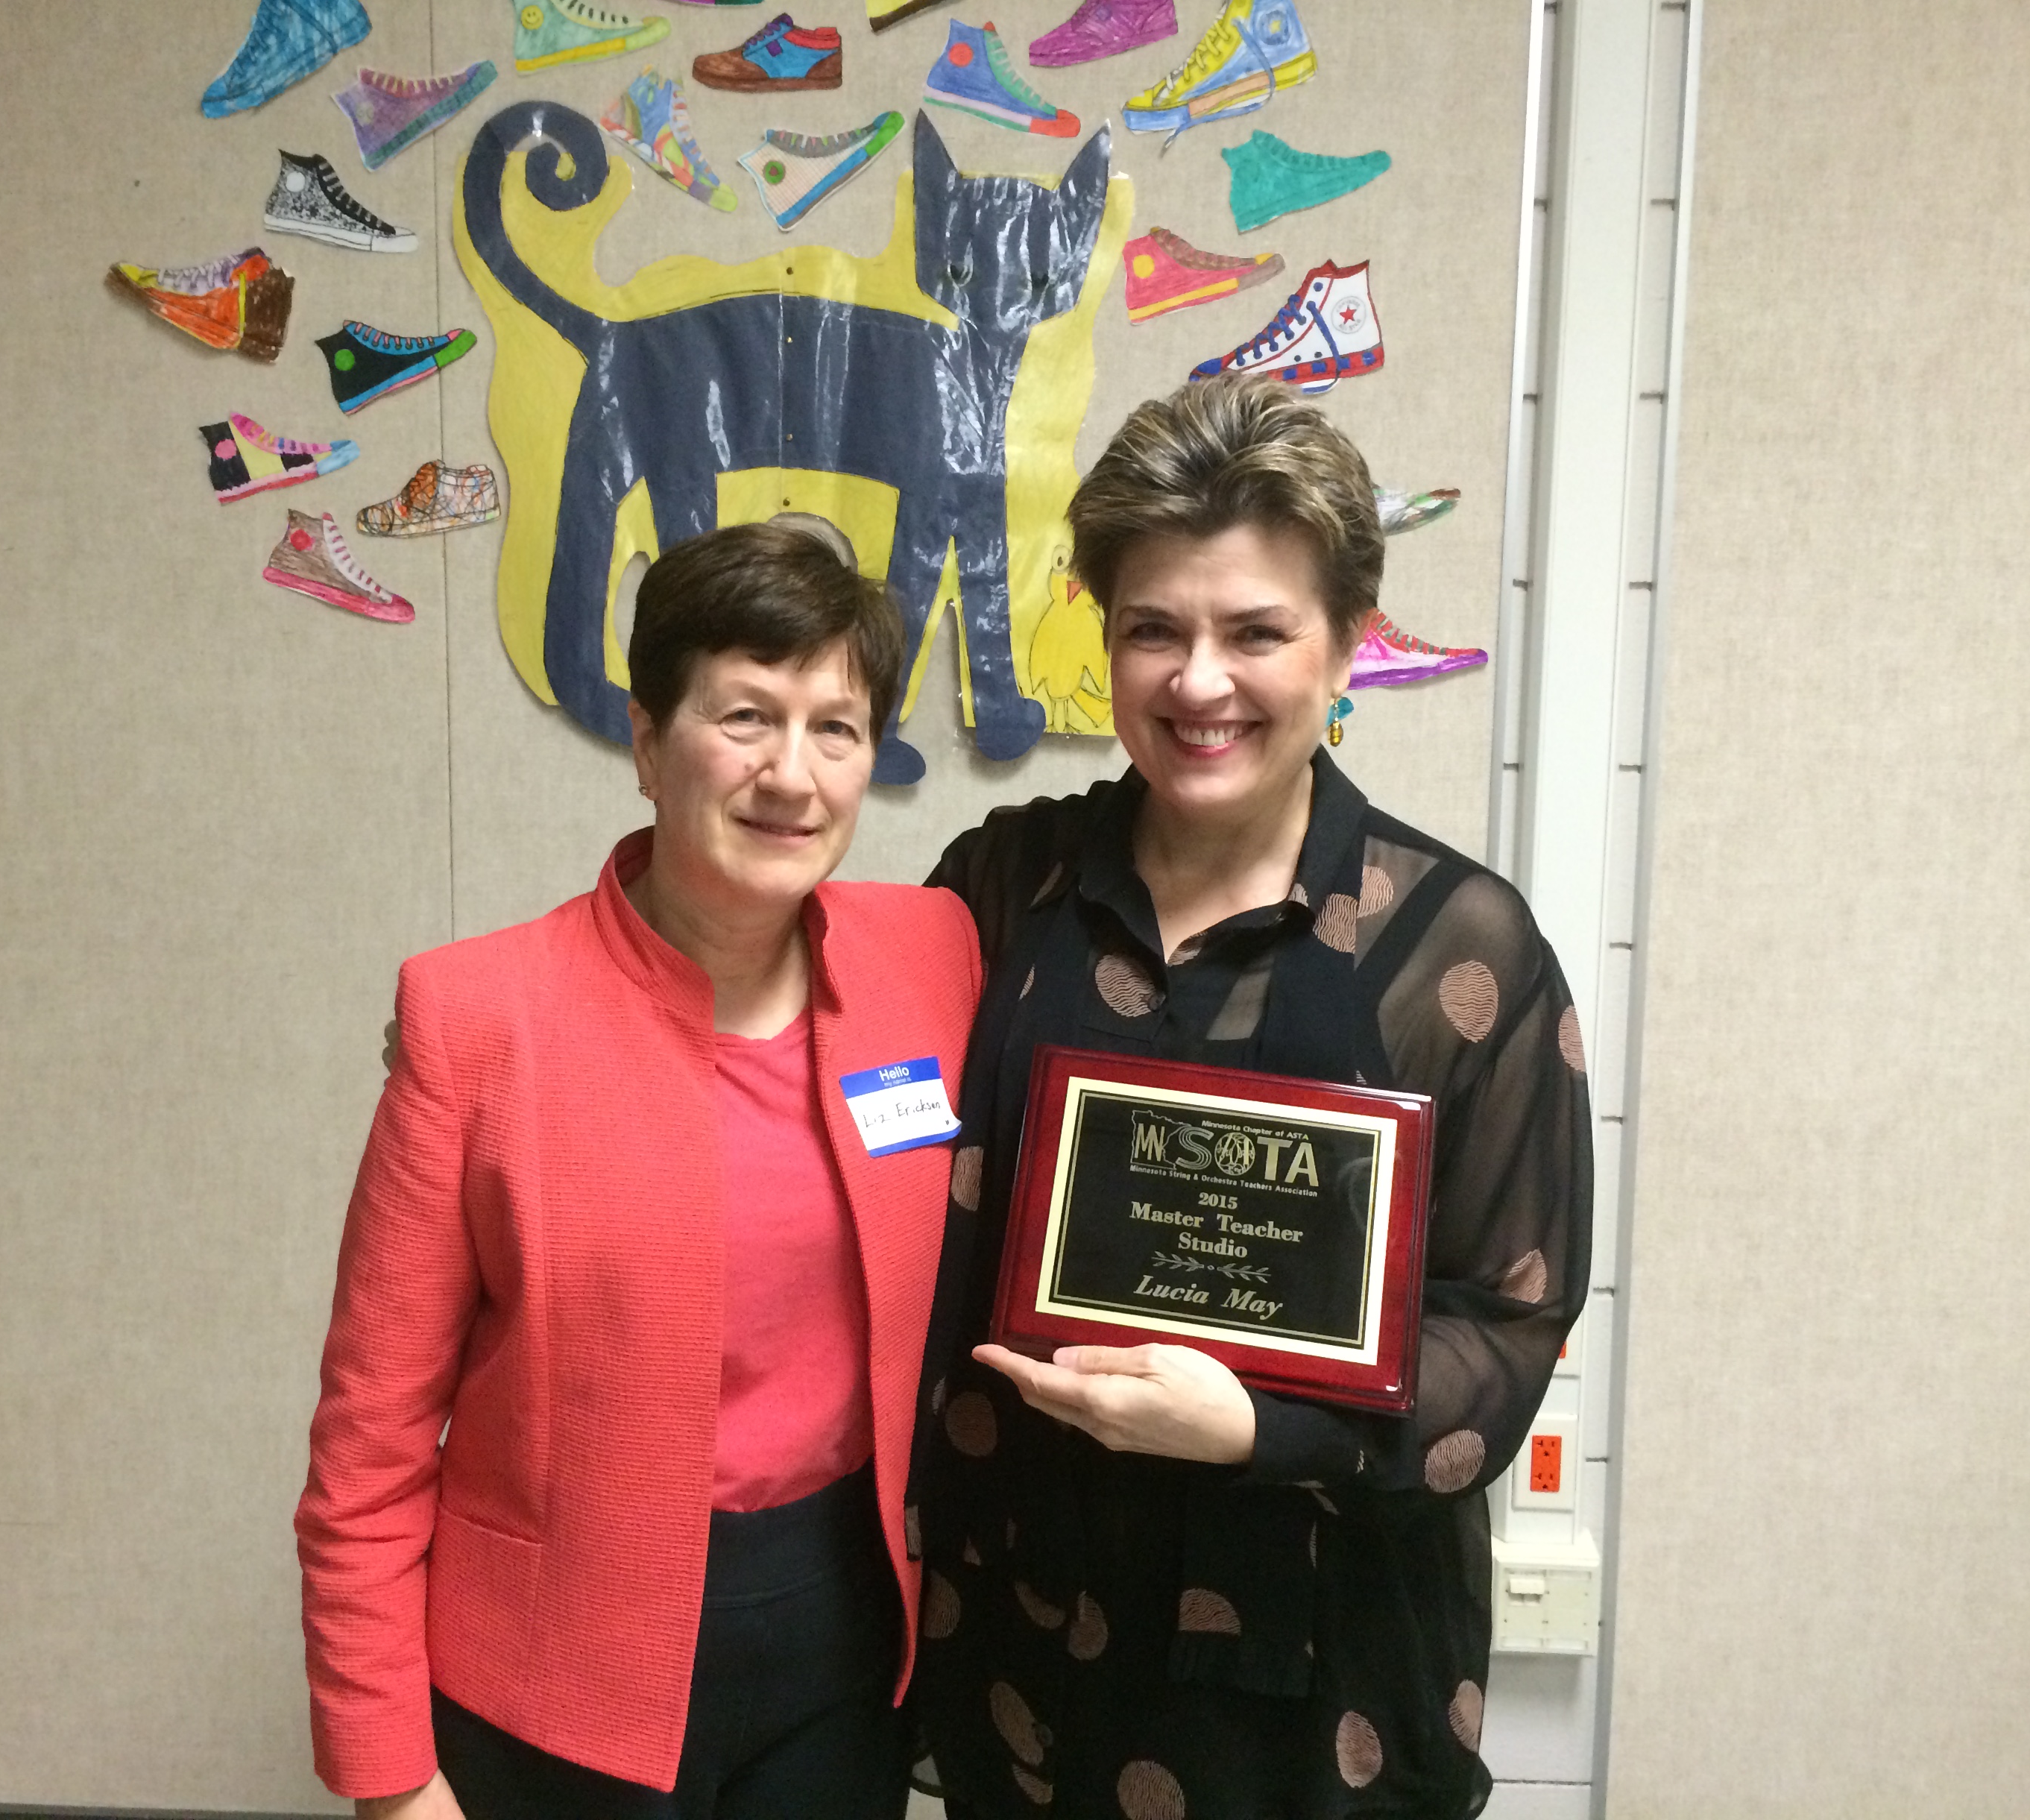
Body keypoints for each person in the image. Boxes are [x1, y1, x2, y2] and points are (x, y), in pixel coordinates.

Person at [910, 377, 1592, 1820]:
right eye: (1154, 628)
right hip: (1028, 1640)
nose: (1198, 682)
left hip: (1325, 1682)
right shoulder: (1002, 884)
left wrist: (1260, 1431)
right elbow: (863, 1149)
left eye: (1256, 633)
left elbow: (1508, 1328)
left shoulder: (1461, 951)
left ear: (1347, 643)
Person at [297, 520, 983, 1820]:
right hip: (552, 1673)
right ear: (650, 741)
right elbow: (368, 1446)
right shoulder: (481, 1021)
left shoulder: (934, 955)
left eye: (836, 729)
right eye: (746, 716)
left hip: (843, 1650)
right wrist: (389, 1780)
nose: (791, 774)